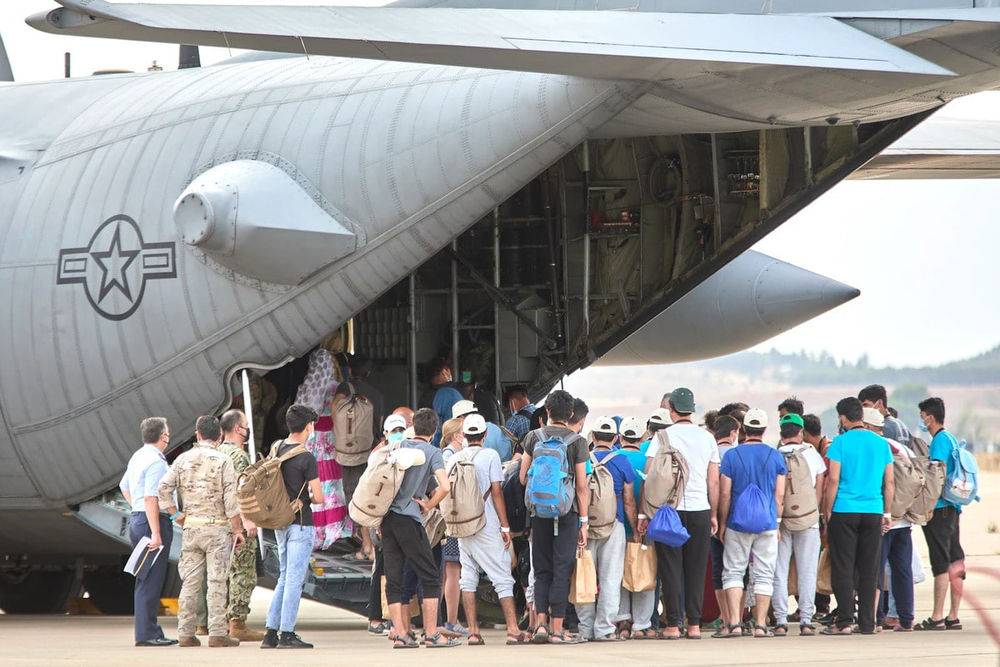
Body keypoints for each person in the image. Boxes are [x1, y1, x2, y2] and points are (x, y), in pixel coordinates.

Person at [638, 387, 720, 639]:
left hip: (668, 512)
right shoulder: (707, 438)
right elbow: (713, 482)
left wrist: (644, 513)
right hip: (699, 511)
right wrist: (714, 515)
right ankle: (694, 625)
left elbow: (649, 476)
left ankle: (673, 625)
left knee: (671, 567)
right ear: (692, 410)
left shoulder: (662, 437)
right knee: (696, 568)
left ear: (670, 410)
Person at [158, 415, 244, 648]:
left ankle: (185, 632)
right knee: (217, 581)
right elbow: (231, 499)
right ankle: (217, 633)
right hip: (217, 529)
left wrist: (176, 515)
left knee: (189, 582)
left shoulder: (183, 460)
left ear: (197, 435)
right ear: (219, 437)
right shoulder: (224, 460)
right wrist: (237, 529)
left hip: (192, 528)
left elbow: (163, 489)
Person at [518, 389, 589, 645]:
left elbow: (522, 477)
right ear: (570, 414)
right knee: (562, 570)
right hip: (567, 514)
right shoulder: (577, 442)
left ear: (546, 412)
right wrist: (585, 522)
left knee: (542, 571)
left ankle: (540, 626)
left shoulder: (532, 437)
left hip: (538, 513)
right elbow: (582, 487)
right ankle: (558, 629)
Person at [383, 408, 457, 648]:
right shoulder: (432, 452)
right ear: (435, 430)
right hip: (409, 519)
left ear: (413, 425)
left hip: (387, 519)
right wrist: (428, 505)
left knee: (394, 579)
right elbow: (445, 487)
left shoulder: (398, 446)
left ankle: (401, 635)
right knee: (431, 576)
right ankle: (432, 633)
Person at [452, 414, 526, 645]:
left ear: (464, 435)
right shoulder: (491, 455)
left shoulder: (454, 457)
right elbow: (496, 492)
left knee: (468, 578)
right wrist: (505, 526)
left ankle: (473, 632)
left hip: (463, 526)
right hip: (487, 525)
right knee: (503, 578)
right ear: (485, 434)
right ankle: (513, 630)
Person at [823, 397, 894, 636]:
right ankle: (867, 623)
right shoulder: (881, 443)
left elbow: (833, 479)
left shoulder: (840, 443)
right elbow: (890, 482)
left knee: (843, 567)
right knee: (869, 568)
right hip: (873, 510)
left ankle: (844, 621)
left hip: (844, 509)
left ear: (843, 418)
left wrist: (828, 509)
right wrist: (887, 512)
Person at [717, 408, 787, 638]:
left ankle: (735, 623)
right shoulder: (776, 456)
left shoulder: (731, 456)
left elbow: (725, 494)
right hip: (766, 523)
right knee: (765, 574)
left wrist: (723, 521)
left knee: (733, 572)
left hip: (738, 523)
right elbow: (780, 496)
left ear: (744, 429)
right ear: (765, 430)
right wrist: (776, 523)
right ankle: (760, 625)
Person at [262, 404, 324, 649]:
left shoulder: (277, 448)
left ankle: (270, 633)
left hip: (279, 521)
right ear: (308, 426)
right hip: (300, 523)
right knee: (295, 579)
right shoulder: (306, 457)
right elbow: (318, 497)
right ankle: (287, 633)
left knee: (284, 576)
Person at [120, 417, 178, 647]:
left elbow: (124, 486)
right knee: (151, 580)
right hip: (152, 521)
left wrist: (137, 508)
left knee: (145, 578)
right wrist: (155, 532)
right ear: (163, 436)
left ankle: (151, 629)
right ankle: (146, 633)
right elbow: (151, 497)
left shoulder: (138, 456)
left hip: (139, 518)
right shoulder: (156, 462)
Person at [208, 409, 265, 641]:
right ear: (239, 429)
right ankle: (238, 623)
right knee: (243, 572)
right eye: (246, 425)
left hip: (220, 521)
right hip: (238, 522)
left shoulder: (218, 451)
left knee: (224, 573)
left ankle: (217, 621)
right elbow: (240, 491)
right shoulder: (238, 456)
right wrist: (247, 521)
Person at [579, 416, 636, 642]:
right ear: (616, 438)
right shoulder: (622, 461)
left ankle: (584, 628)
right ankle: (604, 628)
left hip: (585, 525)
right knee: (611, 578)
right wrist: (635, 527)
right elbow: (629, 500)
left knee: (584, 577)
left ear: (592, 437)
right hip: (615, 524)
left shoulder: (583, 459)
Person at [772, 413, 826, 637]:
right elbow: (820, 491)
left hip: (780, 521)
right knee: (807, 570)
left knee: (779, 570)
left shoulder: (775, 456)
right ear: (801, 433)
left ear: (781, 434)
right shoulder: (812, 455)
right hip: (808, 520)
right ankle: (805, 619)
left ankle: (781, 620)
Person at [862, 408, 916, 632]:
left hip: (882, 517)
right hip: (903, 518)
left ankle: (875, 619)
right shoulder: (902, 448)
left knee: (875, 567)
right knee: (903, 568)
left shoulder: (873, 447)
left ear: (867, 426)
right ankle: (906, 619)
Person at [916, 396, 966, 631]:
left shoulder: (938, 442)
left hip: (940, 508)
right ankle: (953, 615)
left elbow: (935, 476)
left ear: (930, 417)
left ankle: (936, 616)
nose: (922, 420)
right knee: (956, 558)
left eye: (922, 416)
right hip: (954, 507)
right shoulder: (952, 438)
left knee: (940, 561)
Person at [612, 416, 657, 639]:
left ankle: (622, 621)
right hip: (646, 527)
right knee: (645, 572)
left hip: (618, 527)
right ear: (642, 437)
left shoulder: (614, 459)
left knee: (620, 573)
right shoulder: (649, 462)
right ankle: (641, 624)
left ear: (620, 437)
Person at [366, 414, 408, 636]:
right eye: (394, 431)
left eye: (401, 429)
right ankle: (376, 618)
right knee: (382, 568)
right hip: (380, 518)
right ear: (385, 434)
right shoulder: (378, 455)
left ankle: (395, 619)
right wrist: (377, 522)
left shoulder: (403, 451)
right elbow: (372, 490)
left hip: (396, 518)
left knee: (394, 569)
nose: (397, 433)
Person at [708, 414, 740, 634]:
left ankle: (726, 619)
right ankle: (738, 618)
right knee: (738, 569)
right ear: (733, 433)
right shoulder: (736, 455)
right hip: (735, 520)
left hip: (712, 519)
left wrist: (715, 519)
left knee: (719, 569)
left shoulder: (709, 454)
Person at [438, 416, 467, 637]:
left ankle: (445, 619)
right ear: (457, 436)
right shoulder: (451, 457)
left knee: (448, 573)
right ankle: (450, 620)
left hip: (446, 521)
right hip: (452, 521)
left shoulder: (444, 455)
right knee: (452, 572)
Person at [418, 358, 464, 446]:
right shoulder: (453, 393)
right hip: (453, 441)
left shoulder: (425, 396)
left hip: (429, 442)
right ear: (444, 371)